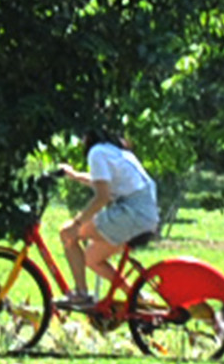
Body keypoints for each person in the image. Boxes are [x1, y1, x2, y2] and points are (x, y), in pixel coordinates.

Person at [54, 125, 160, 304]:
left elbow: (102, 197)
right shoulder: (117, 152)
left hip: (132, 213)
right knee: (91, 258)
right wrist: (74, 175)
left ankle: (80, 294)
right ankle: (137, 299)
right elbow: (105, 184)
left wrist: (77, 223)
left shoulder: (96, 152)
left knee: (67, 233)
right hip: (146, 215)